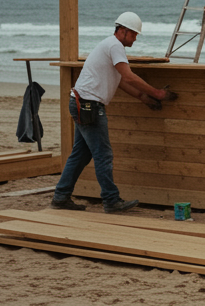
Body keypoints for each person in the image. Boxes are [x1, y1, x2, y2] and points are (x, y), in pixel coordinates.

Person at [52, 11, 174, 214]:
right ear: (123, 31)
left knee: (80, 155)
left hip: (81, 102)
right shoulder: (115, 46)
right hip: (89, 105)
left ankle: (60, 197)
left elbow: (122, 81)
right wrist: (158, 93)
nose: (135, 38)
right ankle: (111, 201)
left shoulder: (110, 45)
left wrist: (143, 98)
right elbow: (130, 76)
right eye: (134, 34)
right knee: (103, 155)